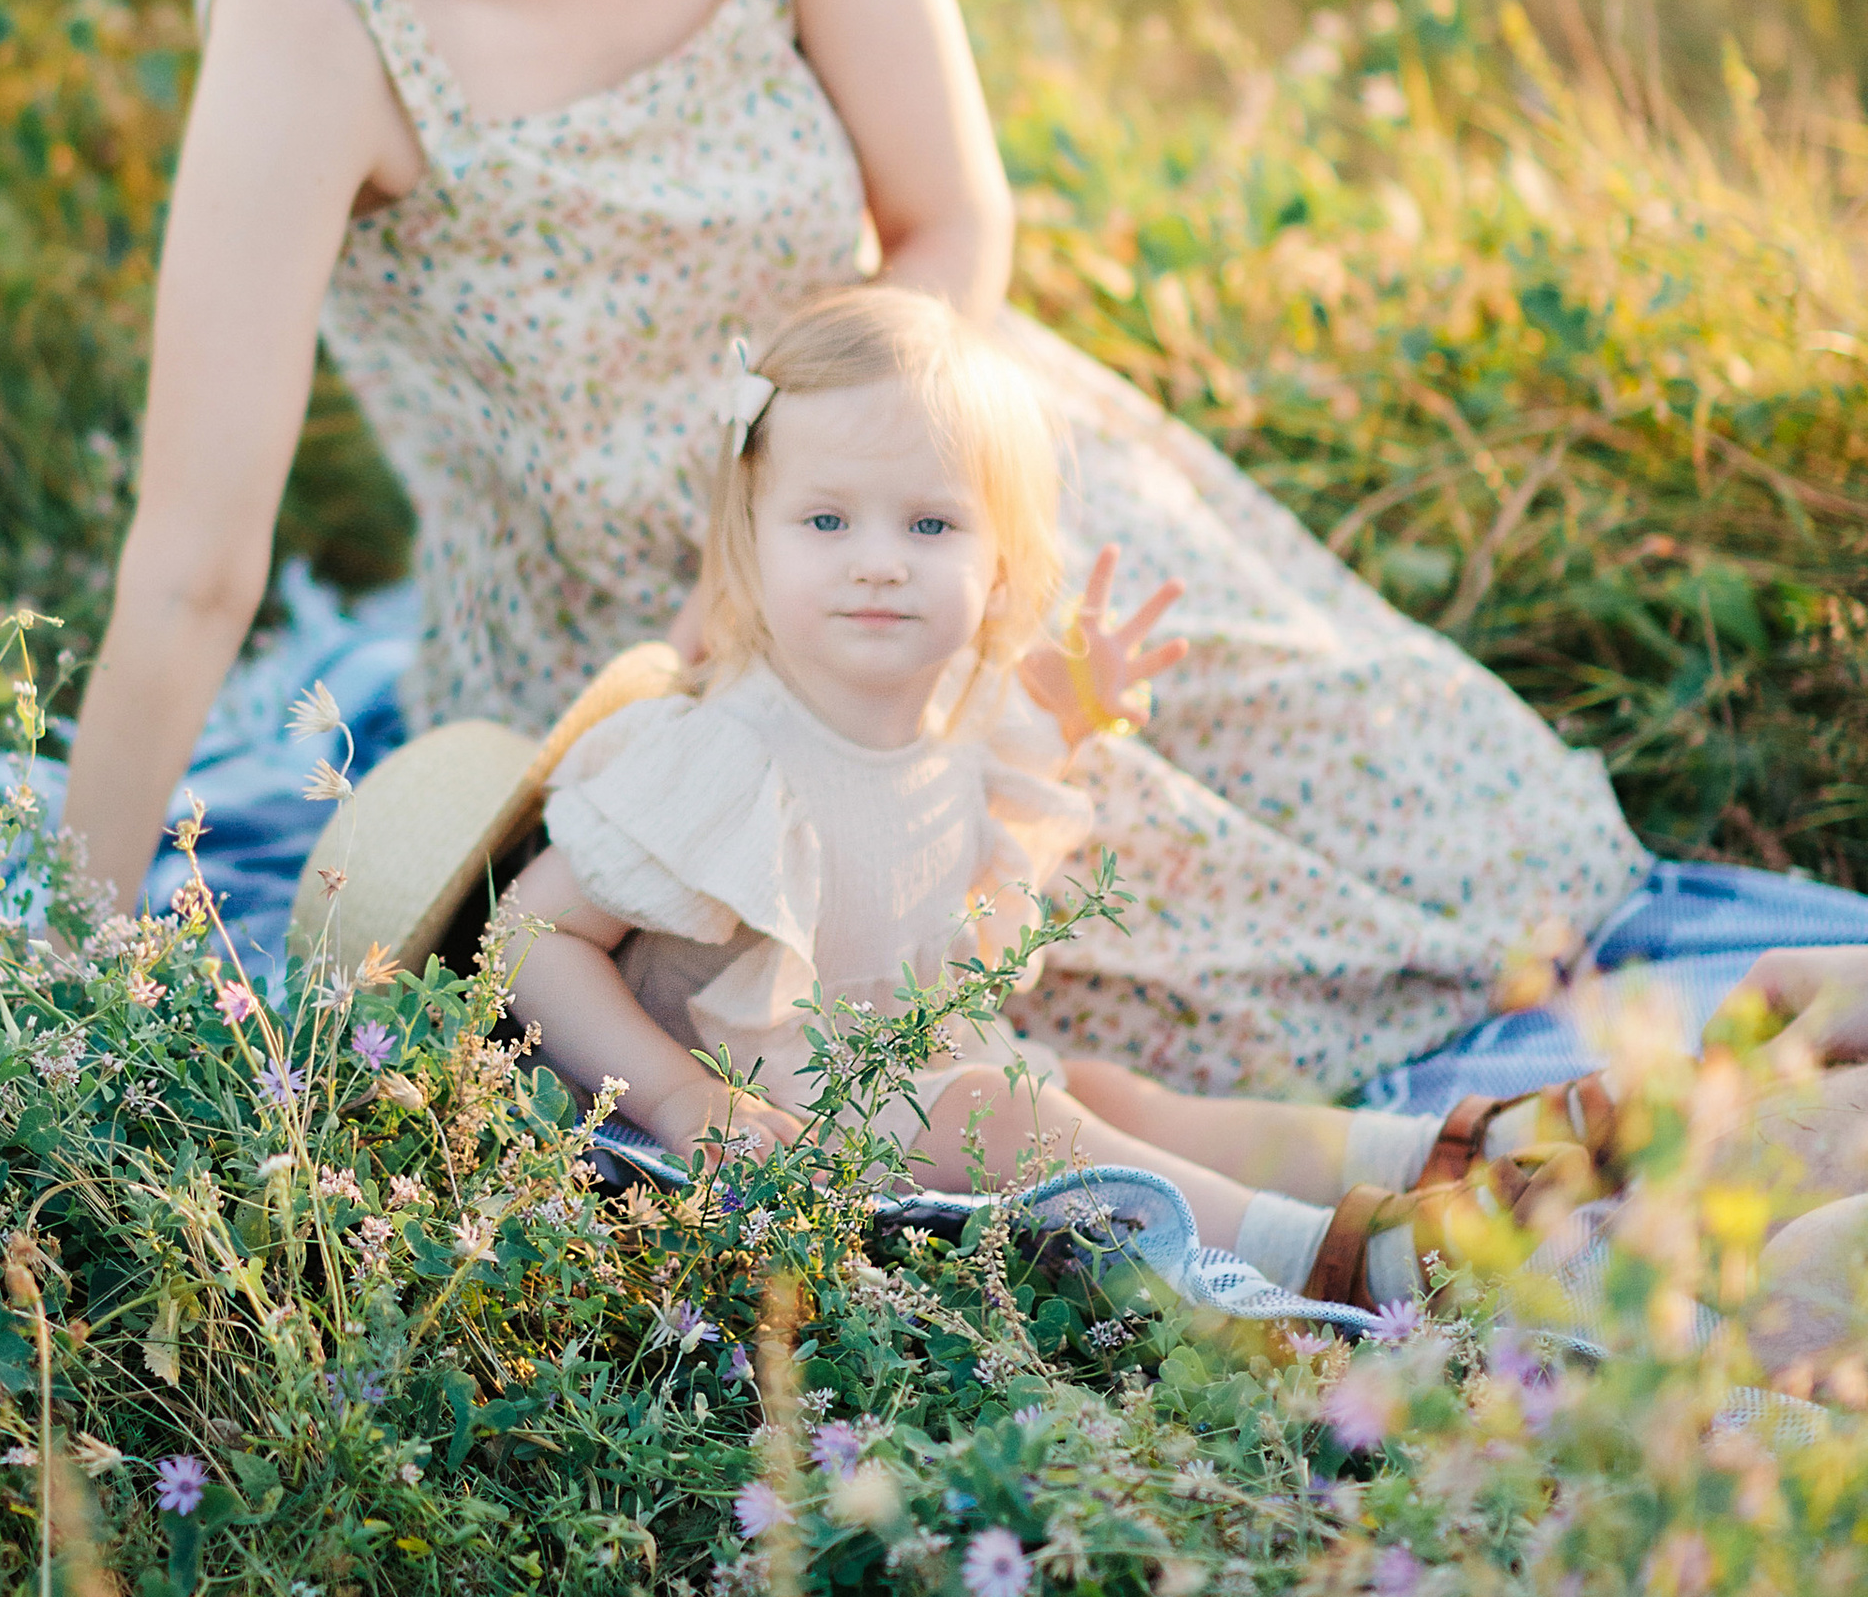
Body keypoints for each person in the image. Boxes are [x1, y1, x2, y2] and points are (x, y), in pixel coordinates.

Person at [59, 0, 1673, 1095]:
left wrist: (902, 524)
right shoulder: (314, 3)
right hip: (666, 666)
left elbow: (951, 224)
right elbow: (195, 566)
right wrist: (68, 965)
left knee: (1471, 833)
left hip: (937, 486)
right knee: (1077, 993)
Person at [496, 285, 1679, 1311]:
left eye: (929, 523)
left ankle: (1454, 1147)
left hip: (891, 1082)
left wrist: (1063, 716)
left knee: (1108, 1096)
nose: (877, 558)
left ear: (999, 564)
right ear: (749, 541)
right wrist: (680, 1098)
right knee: (1020, 1120)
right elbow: (528, 935)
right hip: (743, 1134)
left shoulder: (956, 712)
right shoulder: (724, 751)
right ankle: (1339, 1259)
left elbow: (921, 829)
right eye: (824, 519)